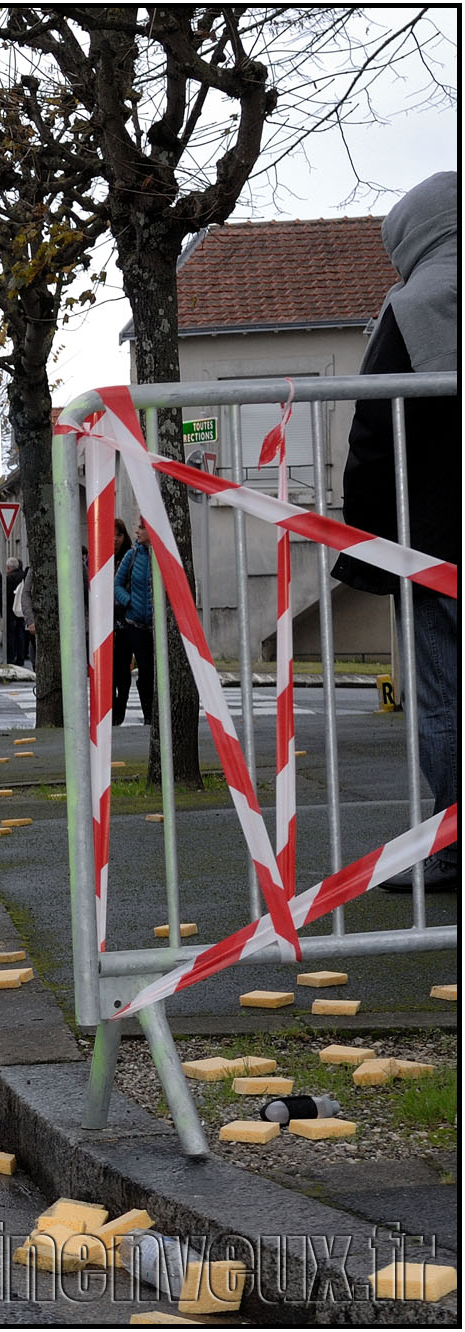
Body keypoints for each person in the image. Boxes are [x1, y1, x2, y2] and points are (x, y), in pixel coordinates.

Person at [332, 171, 459, 893]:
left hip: (436, 543)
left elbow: (373, 434)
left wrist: (367, 545)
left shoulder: (410, 309)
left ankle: (452, 846)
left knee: (442, 697)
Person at [113, 525, 155, 725]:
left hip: (157, 626)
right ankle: (149, 715)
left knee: (155, 670)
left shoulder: (160, 555)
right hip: (135, 623)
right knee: (145, 669)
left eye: (141, 528)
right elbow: (117, 584)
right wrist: (128, 601)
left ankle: (157, 711)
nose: (137, 532)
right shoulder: (132, 555)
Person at [4, 555, 28, 665]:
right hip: (22, 610)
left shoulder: (9, 578)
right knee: (20, 635)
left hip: (11, 610)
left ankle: (10, 658)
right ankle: (21, 657)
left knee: (11, 635)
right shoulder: (24, 576)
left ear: (9, 568)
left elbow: (6, 595)